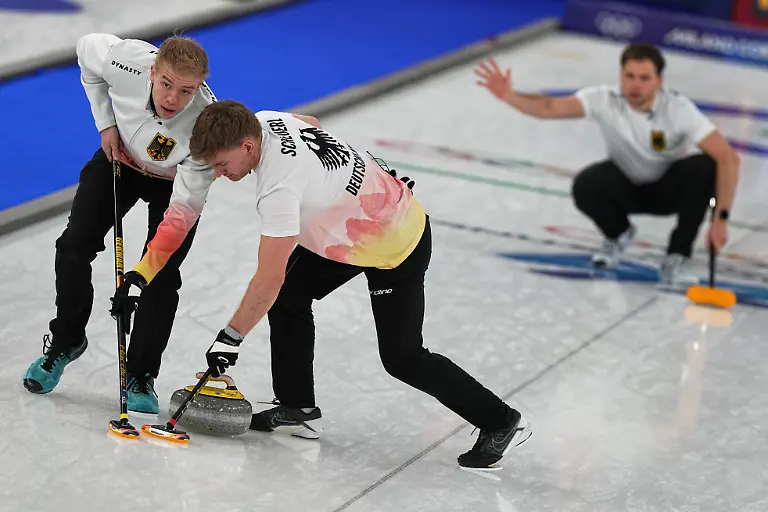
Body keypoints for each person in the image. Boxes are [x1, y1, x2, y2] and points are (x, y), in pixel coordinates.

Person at [132, 98, 529, 470]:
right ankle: (297, 408)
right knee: (289, 295)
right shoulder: (270, 120)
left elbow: (268, 274)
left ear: (249, 146)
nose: (220, 174)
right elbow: (313, 125)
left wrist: (230, 338)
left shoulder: (278, 189)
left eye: (221, 164)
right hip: (356, 225)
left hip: (396, 244)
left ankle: (499, 420)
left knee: (403, 357)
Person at [22, 32, 217, 415]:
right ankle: (66, 342)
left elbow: (182, 214)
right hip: (119, 160)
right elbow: (84, 52)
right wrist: (105, 123)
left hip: (173, 185)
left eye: (186, 91)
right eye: (165, 84)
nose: (172, 99)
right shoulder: (125, 59)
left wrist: (141, 274)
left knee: (162, 276)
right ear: (152, 71)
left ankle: (141, 374)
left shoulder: (205, 126)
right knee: (74, 246)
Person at [475, 43, 740, 287]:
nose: (635, 85)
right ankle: (618, 234)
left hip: (668, 190)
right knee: (587, 184)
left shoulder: (678, 109)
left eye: (644, 78)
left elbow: (729, 158)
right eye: (629, 76)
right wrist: (509, 95)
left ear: (658, 81)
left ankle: (677, 256)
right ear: (621, 75)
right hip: (627, 186)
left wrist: (721, 220)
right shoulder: (604, 99)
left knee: (706, 167)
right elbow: (548, 107)